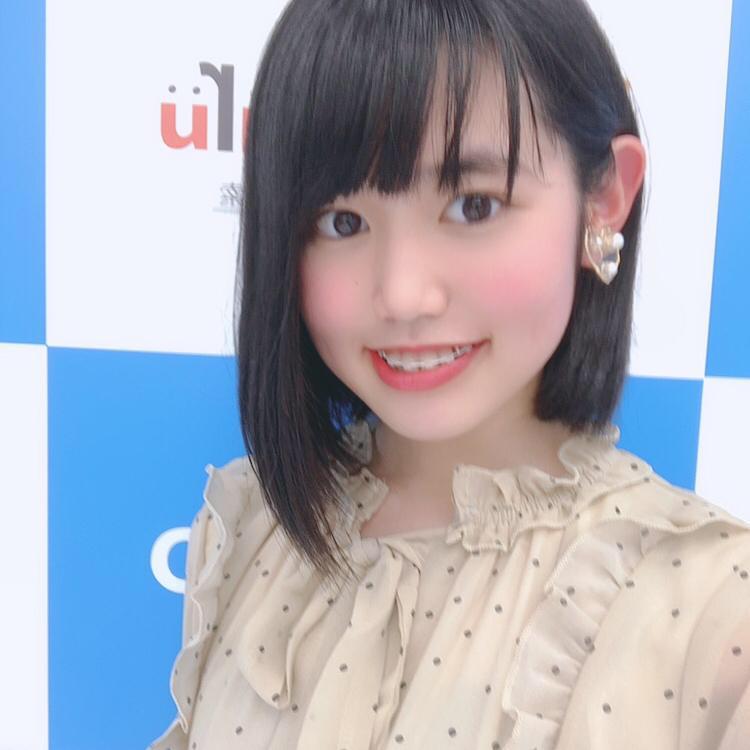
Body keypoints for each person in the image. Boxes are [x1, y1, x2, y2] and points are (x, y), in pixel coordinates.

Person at [149, 1, 750, 748]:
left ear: (604, 198)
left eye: (474, 206)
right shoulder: (246, 527)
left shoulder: (715, 613)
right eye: (342, 222)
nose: (404, 295)